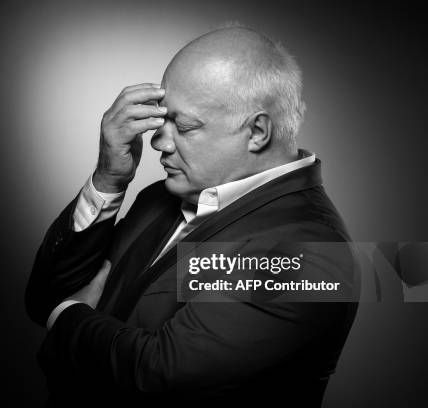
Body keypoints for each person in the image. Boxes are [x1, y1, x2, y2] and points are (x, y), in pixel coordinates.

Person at [26, 26, 359, 407]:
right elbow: (44, 295)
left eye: (183, 127)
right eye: (162, 122)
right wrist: (109, 178)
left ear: (257, 131)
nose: (158, 143)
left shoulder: (311, 253)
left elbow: (159, 376)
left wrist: (68, 315)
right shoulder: (161, 197)